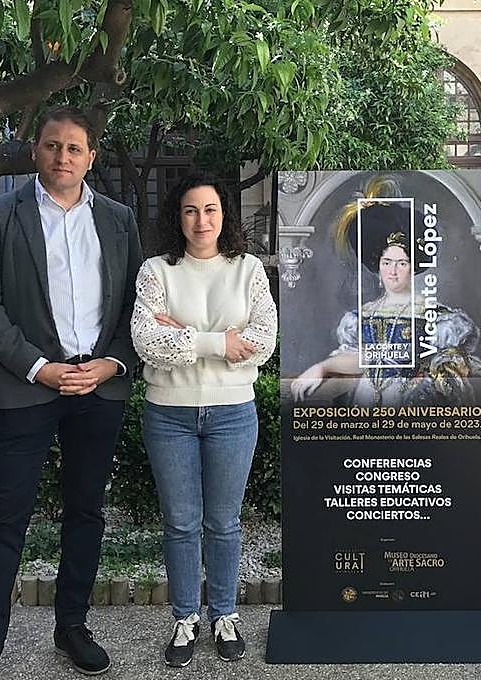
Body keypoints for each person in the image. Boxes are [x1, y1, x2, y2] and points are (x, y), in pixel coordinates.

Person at [0, 106, 142, 680]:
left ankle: (72, 627)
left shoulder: (118, 219)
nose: (62, 157)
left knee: (85, 513)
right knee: (3, 519)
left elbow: (137, 308)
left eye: (74, 148)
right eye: (52, 146)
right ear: (35, 151)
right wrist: (37, 367)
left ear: (90, 157)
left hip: (97, 387)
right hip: (27, 389)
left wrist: (113, 364)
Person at [130, 173, 277, 666]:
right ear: (179, 217)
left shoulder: (248, 268)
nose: (201, 220)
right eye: (191, 210)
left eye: (210, 210)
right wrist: (218, 340)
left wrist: (184, 335)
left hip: (233, 411)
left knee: (223, 522)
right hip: (168, 413)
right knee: (180, 522)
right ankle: (186, 617)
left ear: (224, 216)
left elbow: (264, 339)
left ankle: (225, 615)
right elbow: (147, 341)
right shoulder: (156, 271)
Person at [290, 194, 481, 407]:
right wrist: (322, 368)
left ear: (412, 267)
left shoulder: (438, 318)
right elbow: (361, 360)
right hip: (365, 401)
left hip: (413, 405)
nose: (393, 271)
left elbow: (449, 376)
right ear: (378, 266)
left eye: (401, 263)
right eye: (387, 262)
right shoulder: (361, 316)